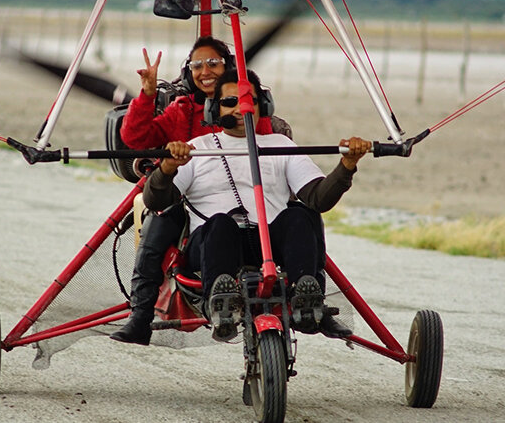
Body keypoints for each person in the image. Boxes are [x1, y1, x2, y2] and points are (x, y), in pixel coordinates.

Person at [144, 69, 366, 341]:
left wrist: (346, 166)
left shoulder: (280, 144)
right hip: (215, 243)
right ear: (214, 108)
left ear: (264, 105)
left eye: (250, 101)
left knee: (300, 214)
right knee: (221, 222)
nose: (241, 108)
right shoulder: (196, 148)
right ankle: (221, 302)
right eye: (230, 102)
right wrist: (166, 169)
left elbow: (318, 198)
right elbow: (156, 201)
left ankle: (305, 296)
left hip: (268, 244)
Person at [112, 36, 277, 345]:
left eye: (213, 63)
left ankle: (310, 298)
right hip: (188, 199)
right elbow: (135, 139)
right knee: (157, 224)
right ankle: (141, 315)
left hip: (242, 197)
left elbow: (264, 149)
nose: (205, 72)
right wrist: (147, 95)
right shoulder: (181, 111)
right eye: (197, 65)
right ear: (189, 72)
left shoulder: (249, 111)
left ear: (228, 67)